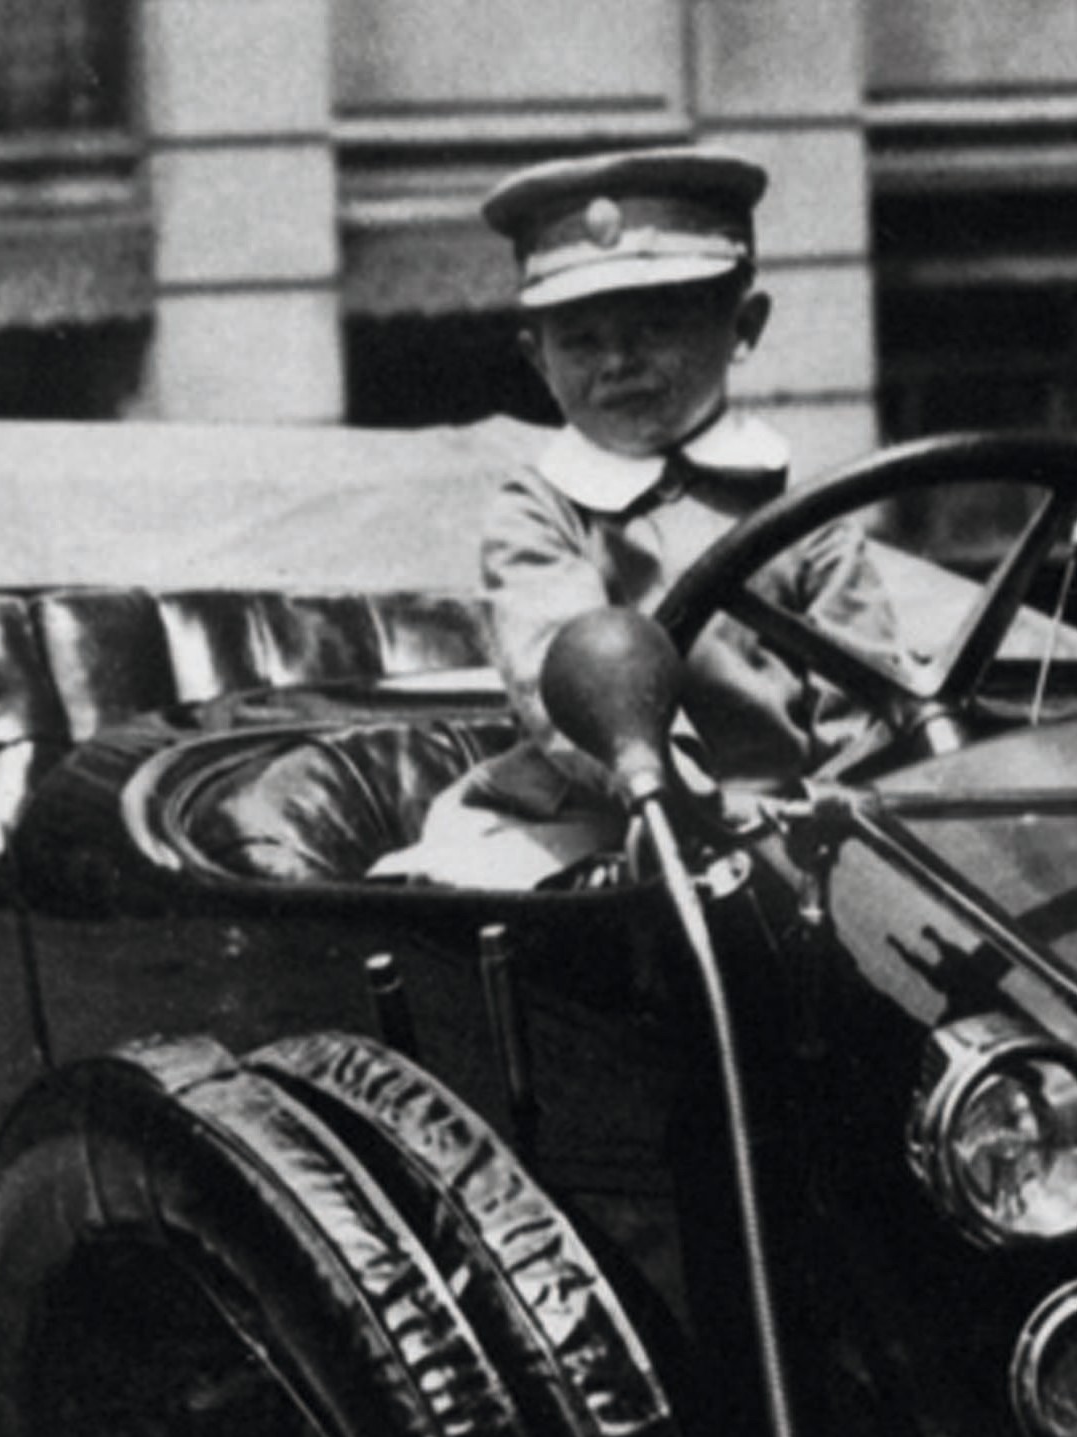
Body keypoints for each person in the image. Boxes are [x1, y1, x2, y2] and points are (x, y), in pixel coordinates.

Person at [377, 142, 907, 885]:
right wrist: (675, 795)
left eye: (655, 328)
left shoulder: (802, 508)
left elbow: (870, 695)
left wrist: (849, 807)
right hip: (601, 813)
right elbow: (559, 672)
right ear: (537, 359)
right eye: (581, 341)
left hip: (794, 830)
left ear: (744, 327)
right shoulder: (541, 511)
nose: (617, 363)